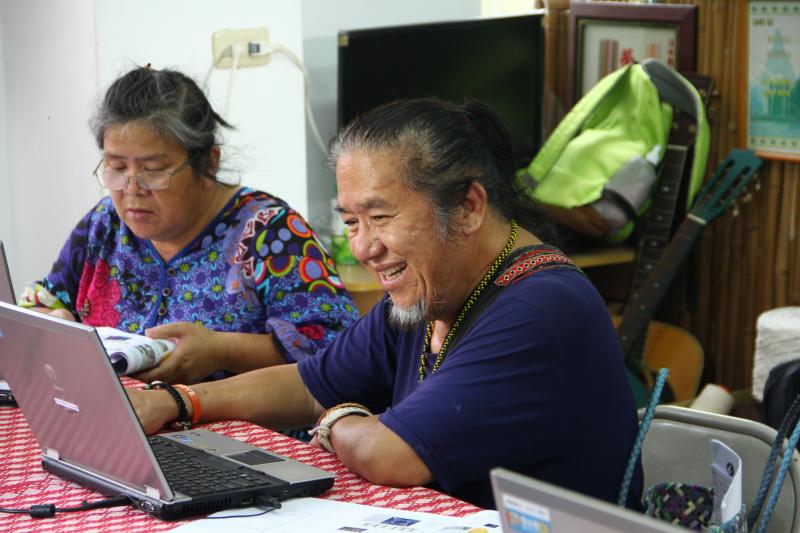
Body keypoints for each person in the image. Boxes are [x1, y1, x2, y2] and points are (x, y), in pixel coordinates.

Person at [128, 97, 643, 509]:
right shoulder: (431, 290)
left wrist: (335, 418)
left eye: (381, 217)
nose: (363, 247)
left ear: (466, 207)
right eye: (351, 221)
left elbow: (388, 455)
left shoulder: (540, 308)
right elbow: (309, 383)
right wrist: (178, 401)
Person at [21, 65, 359, 384]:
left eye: (153, 169)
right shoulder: (105, 225)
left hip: (240, 437)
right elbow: (46, 301)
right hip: (126, 423)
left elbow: (341, 350)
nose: (131, 188)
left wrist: (223, 351)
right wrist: (53, 323)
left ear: (208, 164)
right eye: (116, 167)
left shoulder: (269, 233)